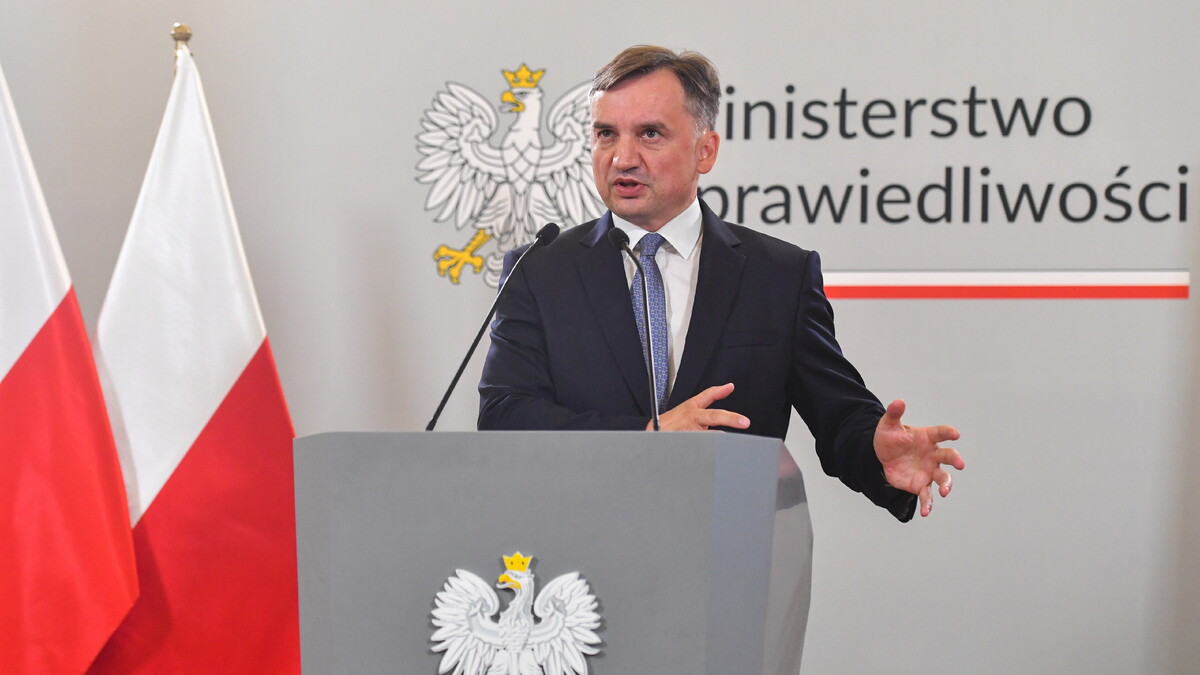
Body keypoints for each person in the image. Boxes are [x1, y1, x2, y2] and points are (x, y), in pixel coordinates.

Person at [478, 45, 962, 521]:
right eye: (606, 134)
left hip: (729, 547)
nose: (622, 158)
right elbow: (505, 416)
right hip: (575, 546)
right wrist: (647, 434)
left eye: (650, 134)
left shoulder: (779, 275)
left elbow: (840, 417)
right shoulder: (539, 270)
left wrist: (877, 451)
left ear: (705, 151)